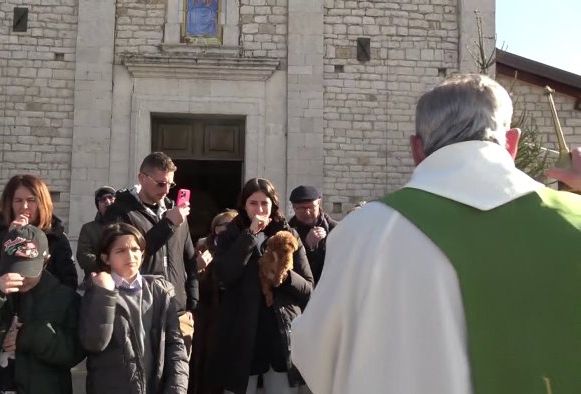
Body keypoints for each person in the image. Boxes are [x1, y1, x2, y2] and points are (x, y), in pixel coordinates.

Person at [291, 74, 581, 394]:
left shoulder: (363, 231)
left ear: (417, 148)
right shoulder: (574, 219)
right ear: (511, 143)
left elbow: (314, 353)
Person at [0, 225, 84, 393]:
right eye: (14, 267)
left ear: (46, 261)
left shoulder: (64, 298)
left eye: (28, 270)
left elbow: (74, 352)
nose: (21, 277)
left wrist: (30, 335)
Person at [212, 178, 313, 394]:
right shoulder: (230, 235)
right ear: (244, 206)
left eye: (264, 203)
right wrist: (249, 236)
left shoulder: (288, 234)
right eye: (253, 203)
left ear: (273, 205)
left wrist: (283, 277)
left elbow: (308, 289)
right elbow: (225, 276)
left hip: (280, 336)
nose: (259, 209)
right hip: (242, 336)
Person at [104, 152, 198, 354]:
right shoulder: (120, 212)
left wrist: (192, 304)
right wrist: (168, 224)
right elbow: (131, 255)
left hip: (177, 310)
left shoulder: (176, 211)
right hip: (139, 309)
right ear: (142, 178)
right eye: (160, 184)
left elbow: (188, 258)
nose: (165, 191)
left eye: (170, 185)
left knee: (179, 378)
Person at [79, 223, 188, 393]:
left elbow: (176, 346)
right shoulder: (95, 292)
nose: (130, 256)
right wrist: (104, 294)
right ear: (106, 258)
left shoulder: (160, 291)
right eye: (120, 251)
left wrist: (177, 389)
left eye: (135, 249)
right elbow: (94, 343)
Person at [0, 174, 78, 289]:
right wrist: (9, 237)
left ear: (41, 203)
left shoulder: (55, 236)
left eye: (31, 200)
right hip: (1, 303)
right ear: (10, 203)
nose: (24, 206)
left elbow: (69, 283)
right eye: (18, 201)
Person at [189, 209, 237, 394]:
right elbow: (191, 281)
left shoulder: (241, 246)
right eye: (220, 225)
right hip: (208, 314)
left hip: (232, 312)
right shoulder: (203, 245)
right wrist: (199, 268)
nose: (224, 229)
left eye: (229, 225)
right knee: (205, 360)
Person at [287, 186, 337, 283]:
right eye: (301, 208)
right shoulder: (288, 234)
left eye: (311, 207)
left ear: (319, 203)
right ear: (293, 207)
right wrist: (307, 247)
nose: (307, 212)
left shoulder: (335, 229)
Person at [76, 186, 117, 276]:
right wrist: (107, 263)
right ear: (98, 205)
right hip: (97, 280)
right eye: (102, 199)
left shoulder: (127, 225)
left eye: (110, 197)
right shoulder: (88, 228)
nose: (107, 201)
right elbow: (83, 256)